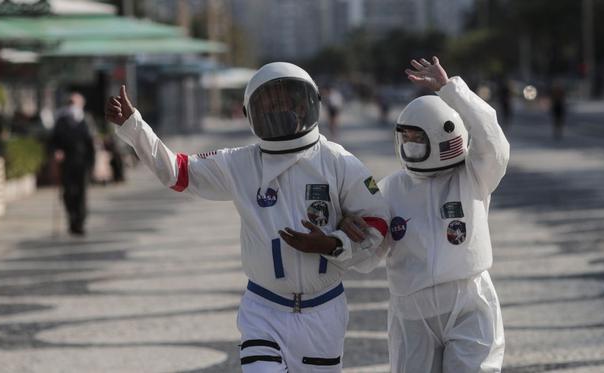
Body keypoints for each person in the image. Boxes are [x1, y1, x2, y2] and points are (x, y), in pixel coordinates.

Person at [105, 62, 390, 372]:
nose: (281, 111)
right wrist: (135, 127)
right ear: (250, 113)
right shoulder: (240, 164)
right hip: (264, 308)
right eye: (270, 103)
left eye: (288, 101)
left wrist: (333, 244)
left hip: (323, 310)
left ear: (308, 104)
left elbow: (377, 222)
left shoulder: (338, 161)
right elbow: (178, 172)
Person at [340, 57, 509, 372]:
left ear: (445, 134)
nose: (410, 143)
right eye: (406, 137)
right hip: (411, 310)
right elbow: (368, 256)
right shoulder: (390, 190)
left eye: (418, 137)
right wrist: (349, 235)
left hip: (469, 301)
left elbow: (492, 141)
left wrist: (450, 90)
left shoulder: (473, 176)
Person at [50, 92, 96, 236]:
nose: (72, 105)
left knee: (81, 193)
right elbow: (53, 140)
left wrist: (92, 164)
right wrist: (57, 151)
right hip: (67, 162)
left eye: (74, 102)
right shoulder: (61, 120)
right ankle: (72, 219)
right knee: (68, 192)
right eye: (70, 102)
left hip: (82, 162)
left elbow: (91, 144)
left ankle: (80, 222)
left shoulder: (86, 120)